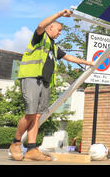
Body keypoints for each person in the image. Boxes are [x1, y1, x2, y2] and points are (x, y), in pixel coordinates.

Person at [9, 9, 95, 161]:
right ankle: (16, 143)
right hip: (31, 78)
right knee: (30, 113)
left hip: (45, 82)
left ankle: (32, 149)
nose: (60, 33)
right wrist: (60, 14)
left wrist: (87, 62)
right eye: (59, 30)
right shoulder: (39, 37)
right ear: (50, 28)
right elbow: (41, 25)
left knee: (37, 115)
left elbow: (67, 56)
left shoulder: (53, 46)